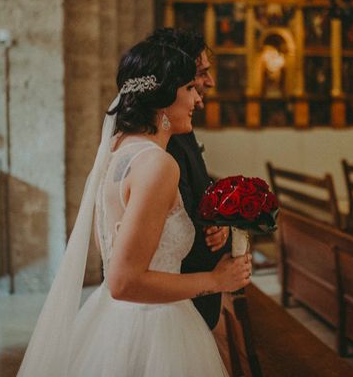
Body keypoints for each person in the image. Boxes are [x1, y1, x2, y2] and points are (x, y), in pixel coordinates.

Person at [17, 36, 252, 376]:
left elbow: (110, 247)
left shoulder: (118, 148)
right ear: (163, 98)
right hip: (155, 327)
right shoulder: (157, 164)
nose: (198, 99)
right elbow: (124, 280)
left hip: (112, 321)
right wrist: (216, 280)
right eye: (189, 88)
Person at [147, 28, 231, 331]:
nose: (209, 84)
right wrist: (218, 272)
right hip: (168, 308)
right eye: (200, 74)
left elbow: (198, 200)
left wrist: (220, 225)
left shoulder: (179, 131)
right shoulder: (160, 150)